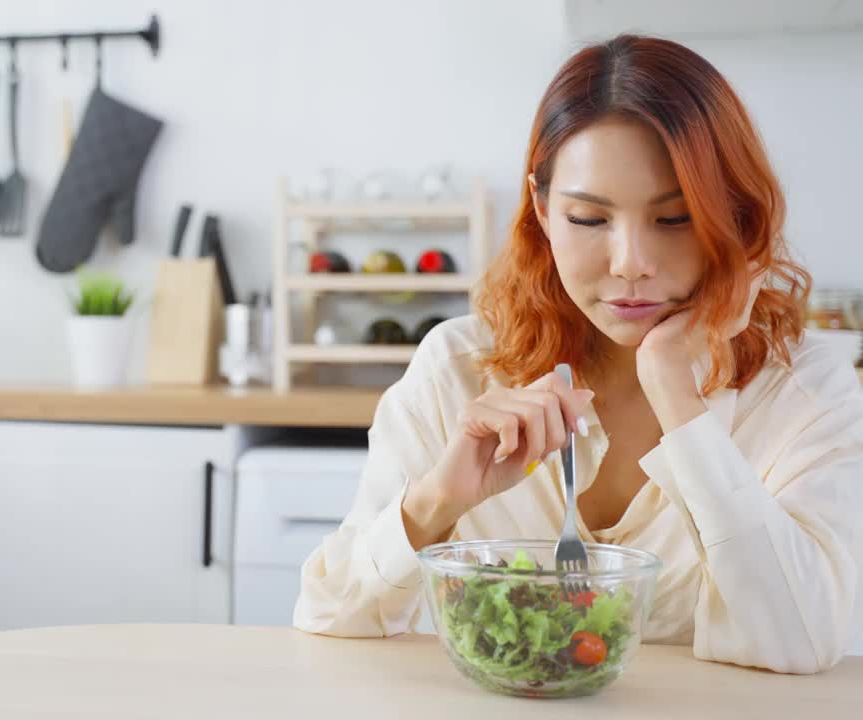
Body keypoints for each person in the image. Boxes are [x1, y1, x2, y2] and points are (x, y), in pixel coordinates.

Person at [293, 34, 863, 674]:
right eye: (589, 220)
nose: (631, 265)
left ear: (736, 217)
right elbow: (327, 616)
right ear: (541, 208)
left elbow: (800, 641)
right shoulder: (457, 369)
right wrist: (435, 502)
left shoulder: (805, 392)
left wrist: (676, 391)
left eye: (675, 220)